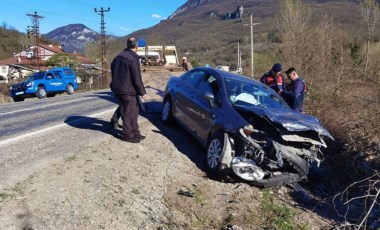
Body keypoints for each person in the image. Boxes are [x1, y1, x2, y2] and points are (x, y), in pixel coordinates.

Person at [110, 37, 147, 143]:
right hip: (128, 90)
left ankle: (135, 133)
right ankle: (128, 135)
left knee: (132, 111)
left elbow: (113, 69)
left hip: (118, 89)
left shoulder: (118, 56)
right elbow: (136, 77)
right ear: (136, 47)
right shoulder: (133, 58)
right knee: (129, 113)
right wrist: (142, 92)